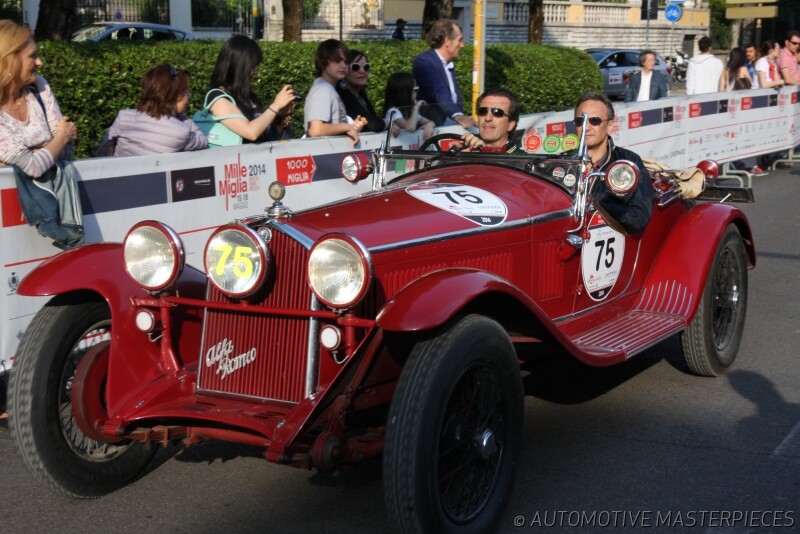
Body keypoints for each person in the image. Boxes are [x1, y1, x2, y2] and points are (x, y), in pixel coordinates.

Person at [0, 19, 83, 249]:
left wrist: (32, 156)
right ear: (9, 60)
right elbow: (34, 167)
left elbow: (67, 152)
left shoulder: (40, 87)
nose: (40, 62)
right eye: (32, 56)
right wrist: (59, 138)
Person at [573, 91, 654, 235]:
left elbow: (638, 218)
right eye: (581, 121)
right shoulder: (563, 163)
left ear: (610, 125)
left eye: (595, 121)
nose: (586, 127)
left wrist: (596, 203)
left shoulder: (628, 163)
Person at [96, 64, 207, 156]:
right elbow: (202, 140)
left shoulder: (123, 117)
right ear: (172, 96)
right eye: (185, 92)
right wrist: (181, 116)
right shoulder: (181, 132)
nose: (189, 96)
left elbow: (103, 152)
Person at [207, 35, 297, 143]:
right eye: (252, 67)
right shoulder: (218, 98)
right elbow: (251, 133)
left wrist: (280, 116)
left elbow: (266, 137)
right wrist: (275, 106)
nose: (254, 72)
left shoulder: (250, 97)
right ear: (239, 66)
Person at [412, 18, 476, 129]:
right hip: (432, 129)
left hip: (450, 126)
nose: (462, 45)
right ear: (447, 41)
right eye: (460, 40)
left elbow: (453, 96)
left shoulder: (448, 64)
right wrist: (458, 116)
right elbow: (439, 92)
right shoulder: (425, 61)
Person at [305, 39, 366, 145]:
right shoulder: (322, 90)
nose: (343, 65)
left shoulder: (329, 88)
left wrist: (351, 127)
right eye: (337, 61)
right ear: (323, 61)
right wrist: (346, 127)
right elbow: (316, 130)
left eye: (346, 62)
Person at [336, 49, 386, 133]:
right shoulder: (343, 97)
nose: (362, 71)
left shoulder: (361, 96)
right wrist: (388, 122)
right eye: (355, 67)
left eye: (366, 67)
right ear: (344, 70)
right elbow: (374, 125)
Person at [383, 72, 434, 141]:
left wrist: (429, 125)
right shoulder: (393, 112)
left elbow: (430, 122)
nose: (417, 92)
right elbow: (410, 127)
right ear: (405, 92)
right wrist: (416, 108)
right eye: (415, 89)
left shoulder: (407, 111)